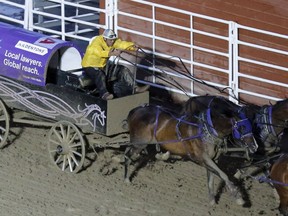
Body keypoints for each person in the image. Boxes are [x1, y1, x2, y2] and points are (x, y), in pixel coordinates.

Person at [81, 29, 149, 100]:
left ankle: (135, 88)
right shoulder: (96, 43)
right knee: (99, 74)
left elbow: (121, 44)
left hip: (102, 65)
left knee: (122, 69)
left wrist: (132, 46)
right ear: (104, 38)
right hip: (90, 66)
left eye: (113, 39)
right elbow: (99, 52)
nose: (112, 41)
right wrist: (112, 53)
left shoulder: (111, 41)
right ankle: (104, 94)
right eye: (110, 40)